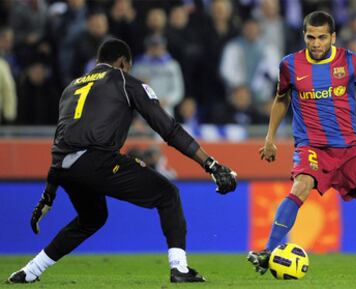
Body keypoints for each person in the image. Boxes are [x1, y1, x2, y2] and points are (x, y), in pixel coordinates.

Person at [7, 38, 237, 284]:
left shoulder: (71, 88)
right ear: (122, 63)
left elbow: (60, 144)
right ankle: (179, 269)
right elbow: (168, 129)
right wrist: (209, 164)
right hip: (97, 160)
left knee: (92, 218)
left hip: (65, 168)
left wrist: (49, 193)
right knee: (167, 194)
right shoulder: (124, 80)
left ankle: (29, 271)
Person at [247, 11, 356, 278]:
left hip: (348, 148)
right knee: (301, 185)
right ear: (304, 36)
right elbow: (281, 100)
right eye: (311, 37)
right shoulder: (290, 65)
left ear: (332, 37)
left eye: (322, 37)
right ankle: (267, 252)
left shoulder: (349, 61)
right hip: (311, 146)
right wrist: (270, 138)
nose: (316, 43)